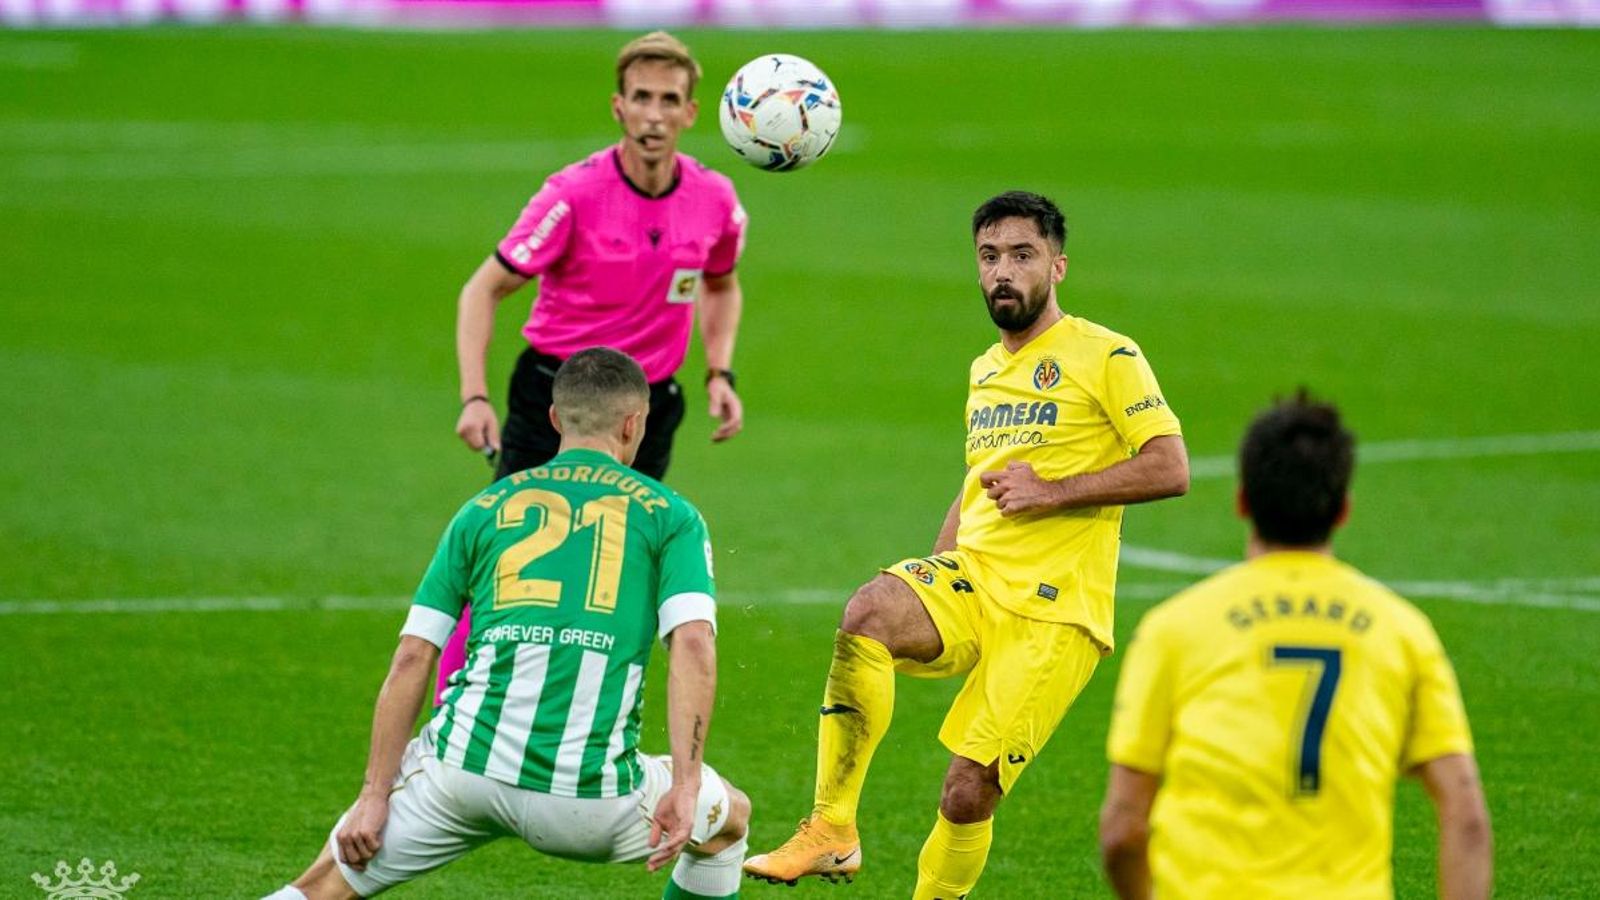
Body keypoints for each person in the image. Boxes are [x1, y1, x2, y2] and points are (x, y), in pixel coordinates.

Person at [743, 191, 1190, 897]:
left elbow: (1171, 466)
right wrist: (937, 559)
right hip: (975, 579)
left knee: (966, 792)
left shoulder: (1108, 354)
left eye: (1021, 255)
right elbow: (979, 477)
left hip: (1055, 615)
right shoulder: (985, 368)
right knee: (871, 610)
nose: (1002, 272)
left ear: (1058, 266)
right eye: (989, 257)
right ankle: (831, 829)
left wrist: (1052, 491)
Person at [265, 348, 751, 900]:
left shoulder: (481, 509)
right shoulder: (671, 516)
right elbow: (691, 645)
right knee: (729, 821)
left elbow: (413, 655)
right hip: (589, 800)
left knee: (319, 887)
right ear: (634, 422)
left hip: (460, 776)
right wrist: (686, 787)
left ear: (552, 419)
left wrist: (375, 794)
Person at [442, 29, 749, 703]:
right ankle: (452, 706)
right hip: (558, 400)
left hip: (646, 409)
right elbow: (481, 289)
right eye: (641, 97)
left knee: (617, 567)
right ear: (618, 106)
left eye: (669, 100)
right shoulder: (571, 195)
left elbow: (722, 283)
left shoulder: (716, 200)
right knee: (503, 559)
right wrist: (474, 397)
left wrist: (718, 373)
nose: (654, 114)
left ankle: (595, 705)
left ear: (692, 114)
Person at [1099, 391, 1493, 900]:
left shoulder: (1175, 629)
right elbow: (1467, 819)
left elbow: (1123, 831)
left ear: (1243, 501)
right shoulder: (1401, 631)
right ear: (1344, 509)